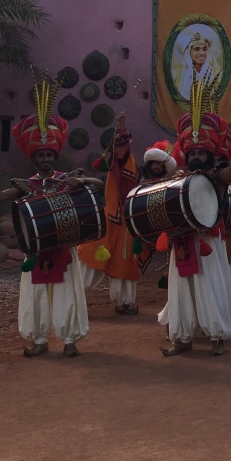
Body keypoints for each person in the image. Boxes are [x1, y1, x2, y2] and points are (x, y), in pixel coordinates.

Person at [0, 82, 103, 358]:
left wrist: (79, 179)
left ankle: (70, 340)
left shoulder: (65, 181)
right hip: (35, 250)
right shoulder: (26, 185)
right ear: (34, 158)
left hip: (63, 249)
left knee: (66, 294)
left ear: (55, 156)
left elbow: (98, 184)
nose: (45, 159)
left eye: (49, 154)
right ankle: (39, 341)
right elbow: (0, 195)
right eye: (41, 155)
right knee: (35, 298)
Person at [158, 91, 231, 357]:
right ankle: (182, 338)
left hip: (207, 241)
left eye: (201, 153)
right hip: (182, 241)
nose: (196, 157)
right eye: (192, 152)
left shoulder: (217, 176)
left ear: (210, 154)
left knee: (210, 288)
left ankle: (217, 338)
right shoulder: (178, 178)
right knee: (181, 290)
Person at [78, 113, 149, 315]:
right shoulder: (118, 164)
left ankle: (125, 302)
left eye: (122, 145)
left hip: (128, 221)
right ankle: (74, 298)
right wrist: (120, 130)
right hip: (111, 218)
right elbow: (115, 157)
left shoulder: (135, 166)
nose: (119, 149)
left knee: (126, 261)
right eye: (117, 145)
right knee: (93, 259)